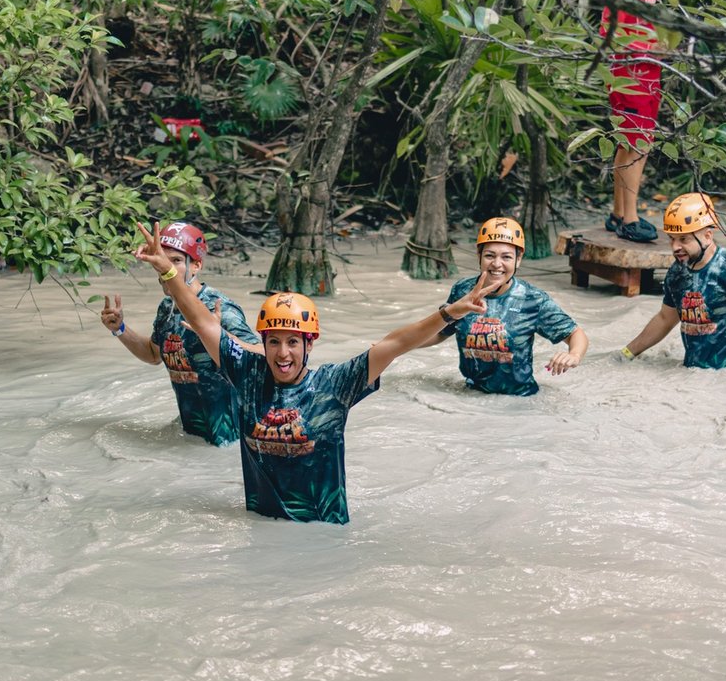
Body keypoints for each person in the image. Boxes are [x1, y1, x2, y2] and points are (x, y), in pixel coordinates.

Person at [133, 222, 501, 524]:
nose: (282, 353)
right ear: (262, 342)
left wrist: (450, 313)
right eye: (273, 341)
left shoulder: (334, 386)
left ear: (310, 344)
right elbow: (200, 320)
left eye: (293, 342)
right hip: (259, 532)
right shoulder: (246, 373)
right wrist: (167, 270)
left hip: (322, 539)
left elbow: (395, 343)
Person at [99, 222, 260, 445]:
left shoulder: (218, 307)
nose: (165, 267)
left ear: (196, 266)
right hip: (190, 438)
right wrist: (120, 329)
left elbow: (261, 357)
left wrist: (218, 336)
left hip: (231, 442)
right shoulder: (167, 308)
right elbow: (153, 354)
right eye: (163, 259)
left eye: (175, 260)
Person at [618, 192, 726, 385]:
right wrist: (625, 354)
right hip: (693, 379)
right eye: (671, 239)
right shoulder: (677, 272)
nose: (675, 247)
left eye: (683, 239)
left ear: (707, 236)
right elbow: (665, 319)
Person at [424, 216, 588, 395]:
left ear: (518, 260)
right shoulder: (462, 290)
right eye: (489, 255)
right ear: (479, 256)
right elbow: (441, 332)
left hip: (518, 401)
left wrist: (574, 355)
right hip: (471, 396)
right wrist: (399, 347)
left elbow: (575, 334)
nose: (496, 264)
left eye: (506, 257)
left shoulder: (532, 299)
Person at [602, 0, 678, 243]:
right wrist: (648, 48)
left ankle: (619, 211)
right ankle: (630, 219)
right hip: (630, 77)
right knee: (636, 143)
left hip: (650, 75)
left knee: (632, 141)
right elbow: (610, 33)